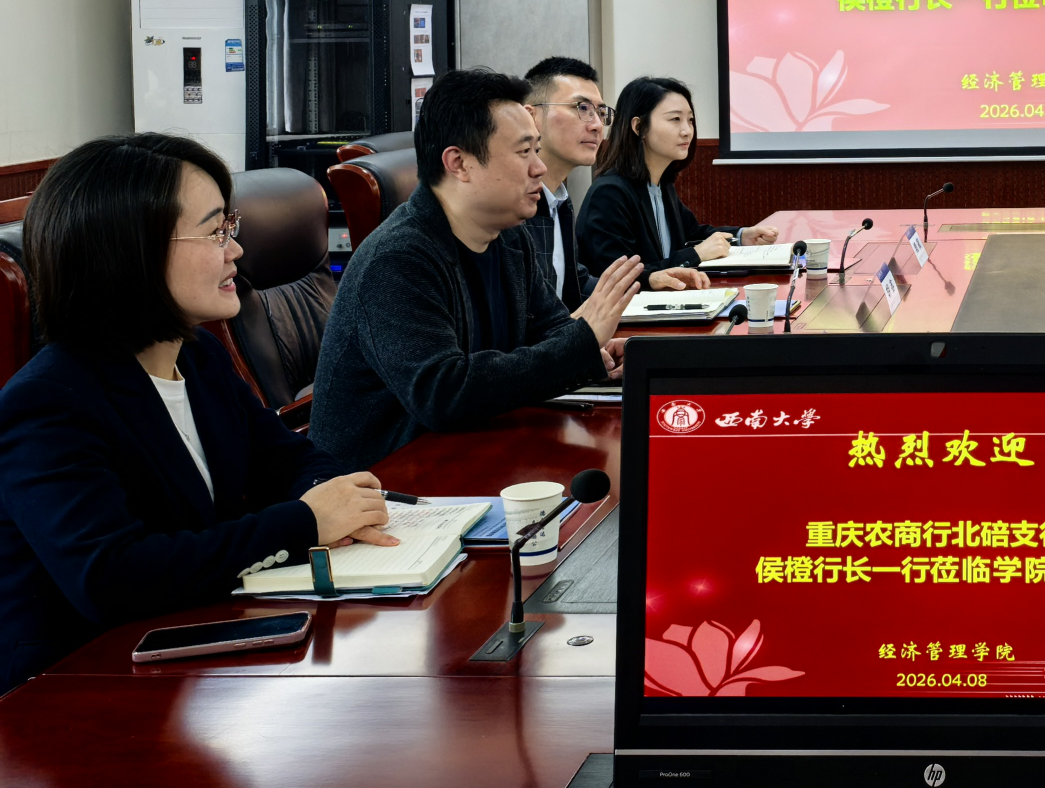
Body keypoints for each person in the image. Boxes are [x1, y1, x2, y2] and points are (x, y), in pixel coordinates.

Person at [0, 134, 396, 691]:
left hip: (193, 653)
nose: (236, 250)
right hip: (76, 688)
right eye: (215, 232)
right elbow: (112, 578)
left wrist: (335, 500)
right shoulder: (47, 403)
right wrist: (306, 522)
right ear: (131, 253)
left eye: (229, 226)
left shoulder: (198, 355)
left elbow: (288, 459)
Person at [311, 68, 642, 472]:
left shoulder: (508, 235)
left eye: (537, 150)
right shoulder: (397, 259)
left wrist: (595, 356)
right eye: (524, 152)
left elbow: (551, 329)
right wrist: (579, 345)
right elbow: (444, 393)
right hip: (387, 482)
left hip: (475, 453)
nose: (539, 168)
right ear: (460, 164)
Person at [520, 56, 708, 309]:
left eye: (600, 112)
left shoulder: (560, 201)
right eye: (582, 108)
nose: (597, 125)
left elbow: (576, 281)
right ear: (531, 116)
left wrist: (650, 280)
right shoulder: (511, 209)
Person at [578, 76, 779, 272]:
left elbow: (692, 233)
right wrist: (695, 255)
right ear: (639, 127)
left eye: (690, 120)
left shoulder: (661, 185)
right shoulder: (610, 193)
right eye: (675, 119)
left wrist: (742, 236)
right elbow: (618, 277)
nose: (687, 131)